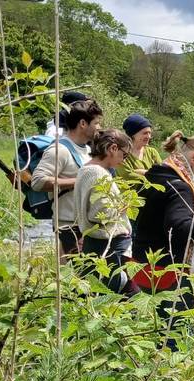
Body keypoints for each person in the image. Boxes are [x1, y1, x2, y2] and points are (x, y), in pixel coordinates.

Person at [132, 132, 194, 333]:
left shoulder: (156, 174)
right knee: (179, 332)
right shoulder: (181, 187)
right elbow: (181, 228)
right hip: (169, 271)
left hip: (142, 263)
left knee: (154, 328)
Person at [31, 99, 102, 259]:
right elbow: (37, 181)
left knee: (76, 272)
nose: (99, 127)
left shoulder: (87, 149)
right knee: (77, 272)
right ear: (83, 123)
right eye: (96, 123)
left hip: (83, 222)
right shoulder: (59, 150)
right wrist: (79, 181)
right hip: (68, 222)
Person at [74, 129, 138, 296]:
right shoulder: (97, 173)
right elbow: (98, 213)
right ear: (113, 148)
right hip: (107, 245)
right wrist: (123, 206)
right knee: (117, 294)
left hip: (99, 243)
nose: (124, 161)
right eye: (124, 155)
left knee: (98, 291)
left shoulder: (87, 169)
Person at [119, 114, 162, 181]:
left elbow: (162, 174)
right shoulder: (122, 154)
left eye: (149, 133)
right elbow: (128, 177)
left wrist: (142, 172)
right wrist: (152, 174)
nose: (149, 137)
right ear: (133, 134)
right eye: (145, 133)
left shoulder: (152, 152)